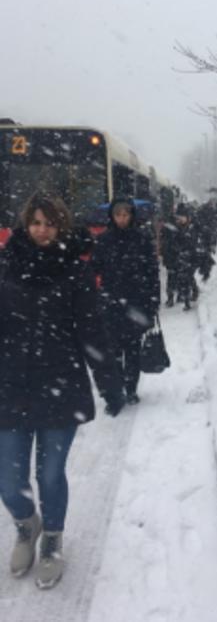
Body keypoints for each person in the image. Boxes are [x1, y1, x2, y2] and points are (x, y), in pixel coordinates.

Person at [0, 193, 124, 589]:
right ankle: (26, 524)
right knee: (8, 477)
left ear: (60, 227)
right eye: (36, 222)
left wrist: (110, 382)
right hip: (11, 384)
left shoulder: (75, 271)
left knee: (50, 474)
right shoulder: (6, 264)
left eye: (49, 223)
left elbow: (92, 330)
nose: (41, 229)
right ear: (26, 223)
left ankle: (52, 539)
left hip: (60, 384)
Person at [91, 196, 161, 405]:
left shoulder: (142, 238)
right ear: (112, 216)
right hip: (110, 303)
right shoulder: (103, 240)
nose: (122, 219)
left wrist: (153, 300)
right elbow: (94, 268)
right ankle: (115, 391)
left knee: (132, 350)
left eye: (125, 214)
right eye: (118, 215)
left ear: (131, 215)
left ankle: (130, 389)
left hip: (136, 303)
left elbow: (151, 272)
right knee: (112, 351)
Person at [161, 203, 200, 311]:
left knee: (186, 279)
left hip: (186, 258)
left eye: (183, 217)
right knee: (172, 278)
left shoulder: (190, 227)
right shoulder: (170, 226)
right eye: (179, 217)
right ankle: (171, 298)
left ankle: (187, 298)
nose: (180, 219)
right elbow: (165, 242)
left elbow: (192, 243)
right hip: (172, 257)